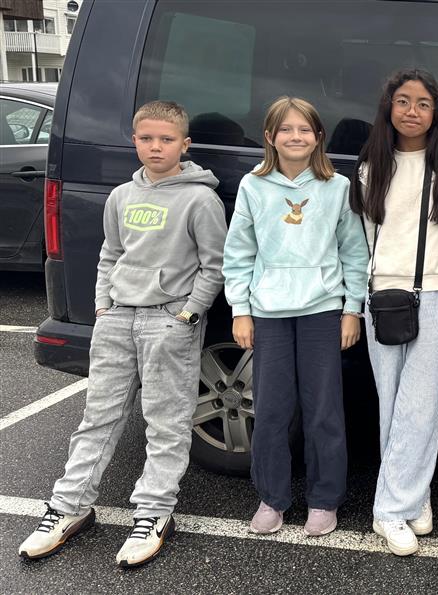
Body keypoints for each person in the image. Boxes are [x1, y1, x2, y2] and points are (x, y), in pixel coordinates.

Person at [18, 101, 227, 567]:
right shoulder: (121, 196)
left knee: (166, 423)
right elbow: (110, 253)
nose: (156, 147)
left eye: (166, 139)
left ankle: (154, 513)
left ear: (184, 144)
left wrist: (188, 314)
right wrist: (103, 306)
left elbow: (214, 266)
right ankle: (69, 507)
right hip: (117, 319)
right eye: (146, 138)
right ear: (134, 141)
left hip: (168, 322)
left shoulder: (200, 200)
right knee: (98, 417)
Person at [222, 96, 369, 538]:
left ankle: (324, 500)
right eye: (286, 129)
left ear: (318, 137)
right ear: (270, 137)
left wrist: (352, 309)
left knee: (324, 409)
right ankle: (272, 497)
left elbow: (354, 252)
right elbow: (239, 252)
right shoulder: (253, 186)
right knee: (271, 410)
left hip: (322, 310)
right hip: (268, 312)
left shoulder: (336, 187)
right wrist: (240, 310)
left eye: (304, 129)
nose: (295, 137)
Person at [350, 69, 438, 556]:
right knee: (392, 401)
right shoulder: (371, 167)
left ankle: (393, 506)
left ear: (436, 112)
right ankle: (406, 498)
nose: (412, 111)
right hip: (383, 293)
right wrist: (365, 289)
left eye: (423, 103)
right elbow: (362, 238)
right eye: (403, 101)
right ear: (389, 107)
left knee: (421, 403)